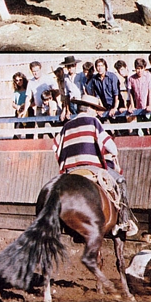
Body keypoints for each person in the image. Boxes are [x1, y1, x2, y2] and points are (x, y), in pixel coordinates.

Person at [53, 94, 138, 235]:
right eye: (95, 109)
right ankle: (124, 221)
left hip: (70, 171)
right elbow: (111, 147)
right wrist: (113, 154)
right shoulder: (93, 121)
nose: (97, 113)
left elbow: (55, 147)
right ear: (89, 109)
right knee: (120, 181)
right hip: (91, 167)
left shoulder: (66, 126)